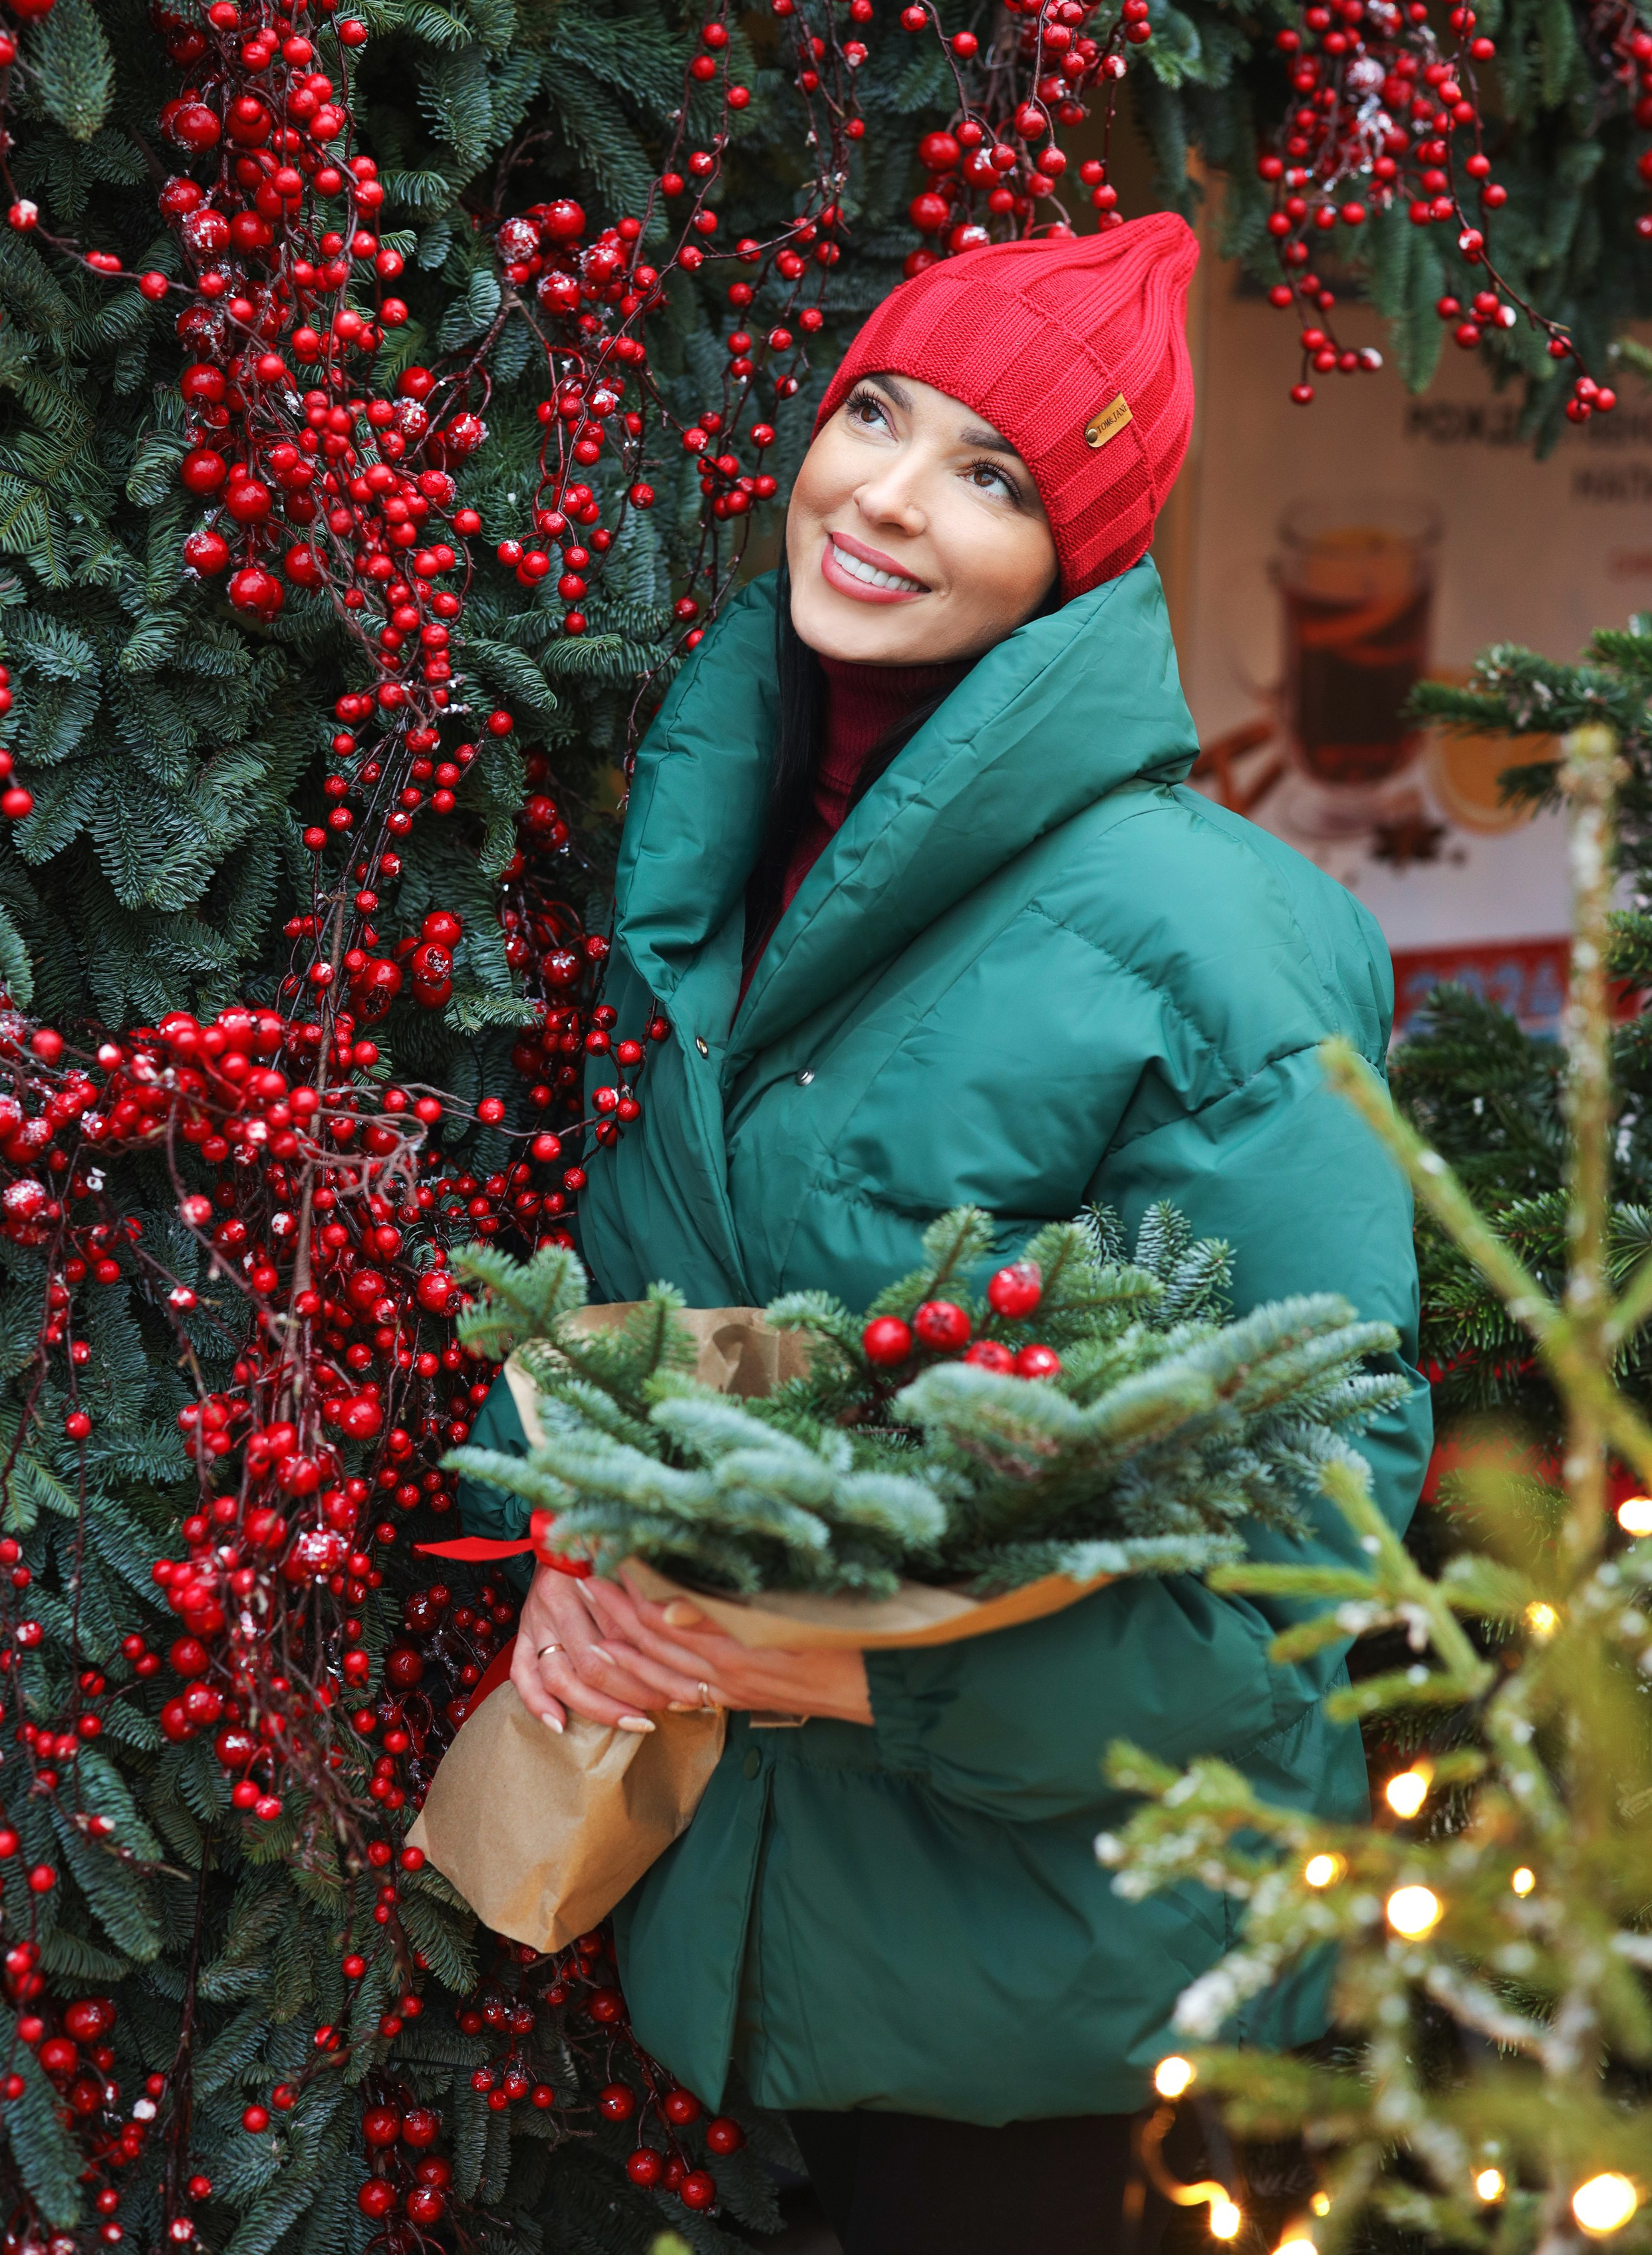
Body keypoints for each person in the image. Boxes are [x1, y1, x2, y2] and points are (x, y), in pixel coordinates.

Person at [458, 216, 1430, 2254]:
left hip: (1074, 2003)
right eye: (875, 416)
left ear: (1080, 563)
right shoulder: (721, 846)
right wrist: (583, 1546)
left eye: (992, 475)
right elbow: (656, 1302)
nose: (889, 495)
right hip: (781, 1933)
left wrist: (841, 1674)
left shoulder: (1212, 947)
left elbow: (1298, 1548)